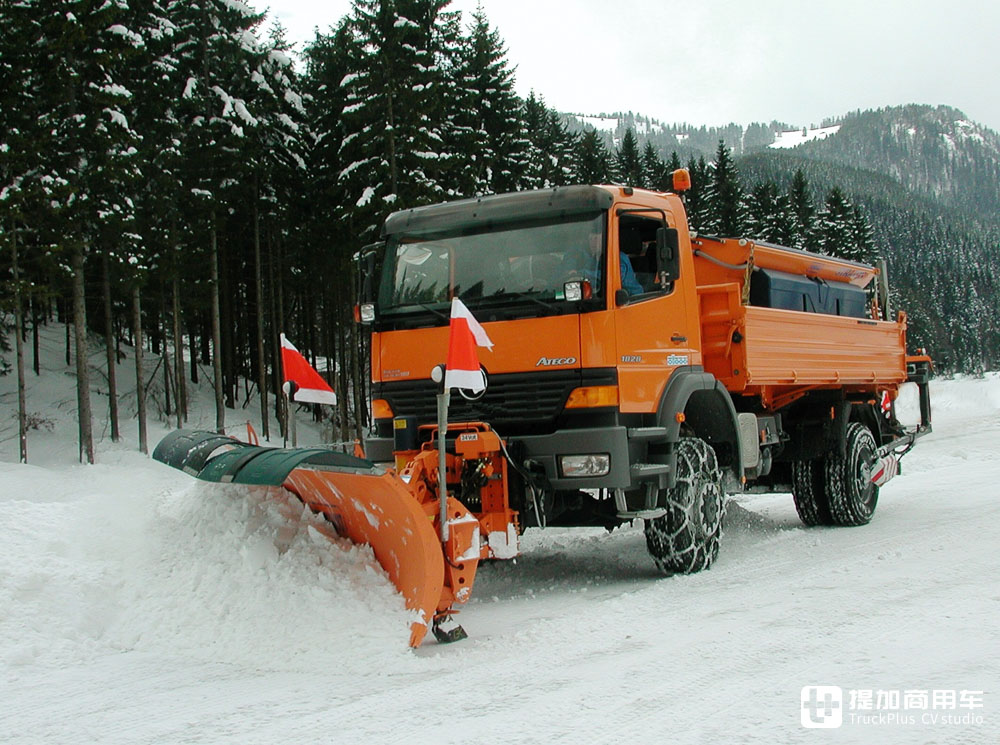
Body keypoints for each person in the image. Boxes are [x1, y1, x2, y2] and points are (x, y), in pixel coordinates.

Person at [560, 230, 644, 295]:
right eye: (590, 239)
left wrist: (582, 274)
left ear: (605, 239)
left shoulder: (618, 257)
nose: (593, 242)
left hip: (631, 300)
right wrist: (573, 275)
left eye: (596, 238)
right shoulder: (593, 259)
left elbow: (612, 277)